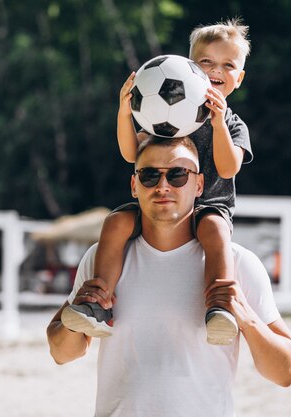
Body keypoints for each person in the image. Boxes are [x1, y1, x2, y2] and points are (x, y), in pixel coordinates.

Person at [47, 135, 291, 416]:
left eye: (178, 174)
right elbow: (60, 353)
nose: (162, 186)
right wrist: (72, 322)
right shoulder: (102, 257)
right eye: (149, 175)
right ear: (134, 185)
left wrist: (248, 319)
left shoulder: (237, 263)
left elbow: (286, 372)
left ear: (200, 184)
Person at [61, 18, 252, 345]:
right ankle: (97, 303)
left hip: (209, 208)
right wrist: (124, 112)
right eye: (207, 62)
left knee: (216, 231)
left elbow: (228, 166)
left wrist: (218, 123)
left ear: (240, 77)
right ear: (191, 67)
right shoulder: (168, 112)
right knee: (116, 221)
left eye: (228, 64)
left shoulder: (233, 124)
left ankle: (220, 306)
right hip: (159, 205)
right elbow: (131, 153)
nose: (217, 70)